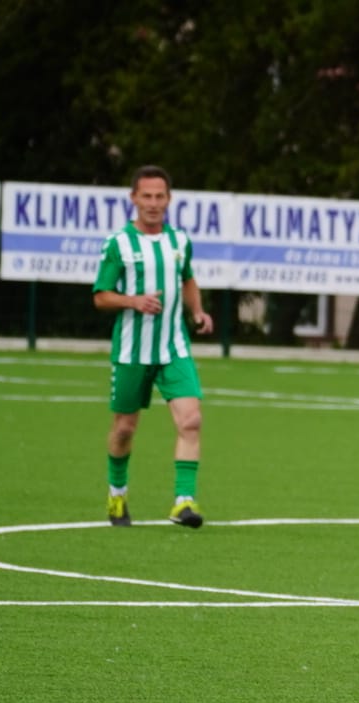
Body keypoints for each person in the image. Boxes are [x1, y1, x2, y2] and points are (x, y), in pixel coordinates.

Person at [92, 165, 214, 528]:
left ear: (169, 199)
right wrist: (133, 301)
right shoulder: (119, 243)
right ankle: (117, 494)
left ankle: (183, 502)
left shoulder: (180, 241)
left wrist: (197, 312)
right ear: (134, 198)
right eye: (146, 196)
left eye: (160, 196)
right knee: (125, 428)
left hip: (174, 348)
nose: (153, 203)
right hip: (132, 350)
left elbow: (187, 279)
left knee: (191, 419)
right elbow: (101, 296)